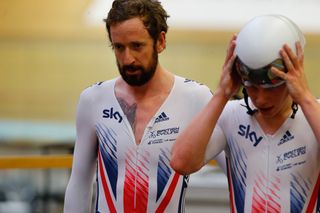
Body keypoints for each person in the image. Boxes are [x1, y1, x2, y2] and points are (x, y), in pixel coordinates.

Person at [63, 0, 226, 212]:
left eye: (137, 46)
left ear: (160, 41)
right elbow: (79, 183)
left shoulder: (194, 97)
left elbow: (238, 172)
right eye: (119, 47)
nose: (127, 59)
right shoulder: (93, 100)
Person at [171, 14, 320, 213]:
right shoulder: (232, 115)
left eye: (270, 88)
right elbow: (181, 162)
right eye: (252, 87)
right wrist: (222, 94)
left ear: (294, 73)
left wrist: (305, 98)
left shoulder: (313, 114)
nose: (260, 99)